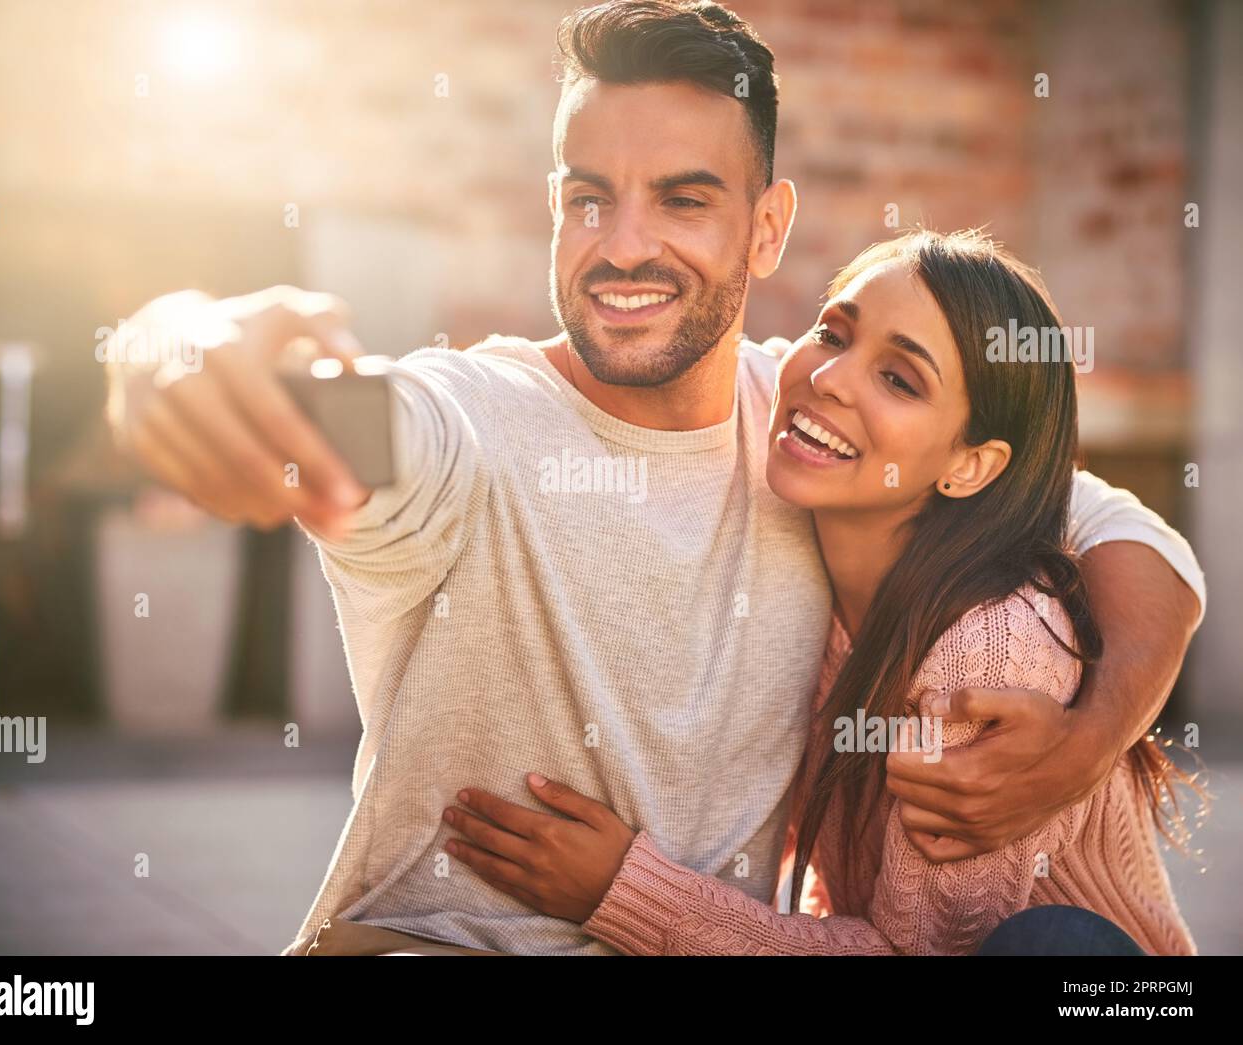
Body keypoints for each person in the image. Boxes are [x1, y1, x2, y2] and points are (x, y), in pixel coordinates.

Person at [105, 1, 1204, 955]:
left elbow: (1129, 537)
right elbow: (346, 419)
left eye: (683, 200)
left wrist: (1089, 735)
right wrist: (181, 350)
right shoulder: (478, 421)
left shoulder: (807, 427)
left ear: (766, 228)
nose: (623, 246)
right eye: (589, 198)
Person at [441, 229, 1199, 955]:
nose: (830, 378)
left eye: (899, 379)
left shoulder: (992, 648)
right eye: (833, 334)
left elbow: (918, 954)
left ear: (970, 465)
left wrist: (625, 890)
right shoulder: (797, 528)